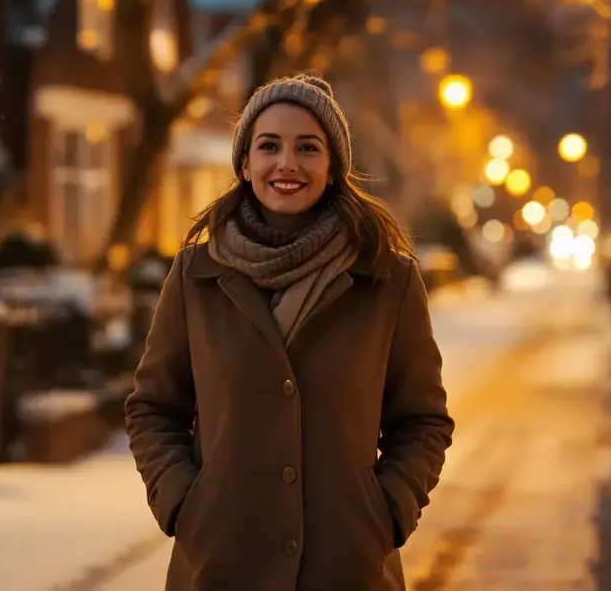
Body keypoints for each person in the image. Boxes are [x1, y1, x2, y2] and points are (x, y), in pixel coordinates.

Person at [124, 73, 455, 591]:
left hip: (349, 569)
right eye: (269, 146)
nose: (287, 164)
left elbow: (422, 421)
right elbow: (152, 408)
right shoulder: (196, 276)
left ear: (333, 167)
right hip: (218, 567)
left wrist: (387, 512)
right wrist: (185, 506)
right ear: (244, 163)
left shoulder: (387, 280)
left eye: (308, 147)